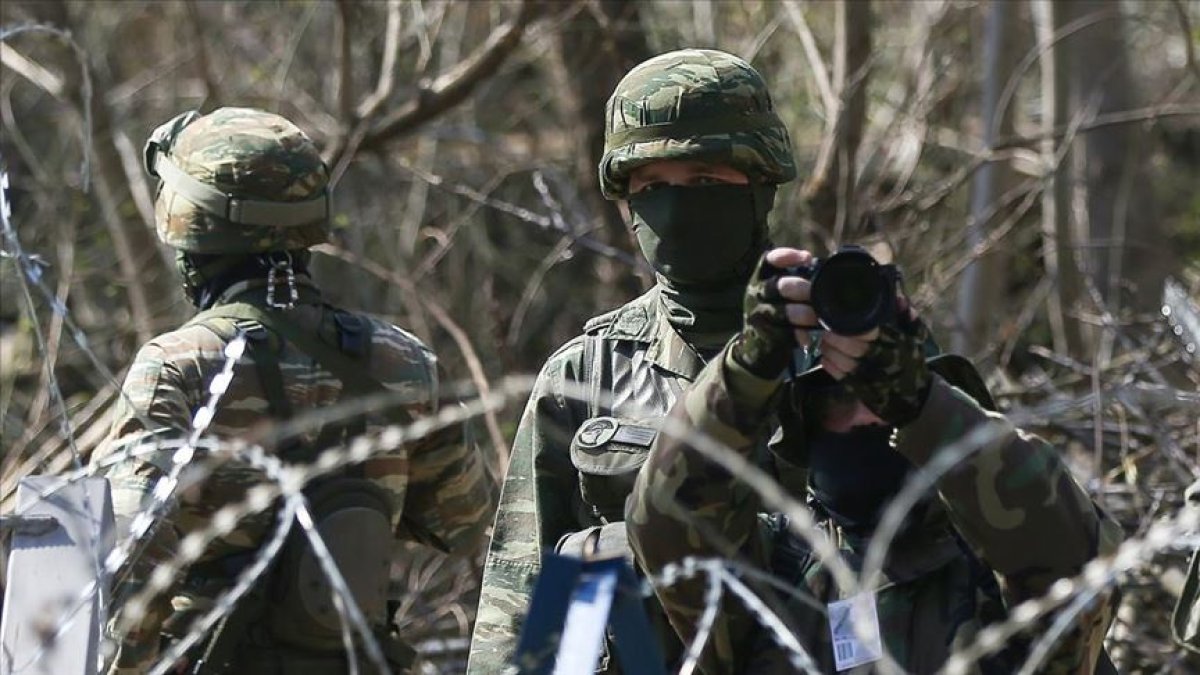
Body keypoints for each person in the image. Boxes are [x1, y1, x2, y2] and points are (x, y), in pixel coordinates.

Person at [92, 107, 497, 674]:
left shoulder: (176, 367)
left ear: (190, 224)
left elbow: (128, 562)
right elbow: (469, 523)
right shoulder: (402, 362)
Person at [626, 246, 1125, 674]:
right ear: (808, 426)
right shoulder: (776, 572)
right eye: (837, 401)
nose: (865, 417)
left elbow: (1071, 559)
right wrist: (743, 374)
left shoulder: (990, 574)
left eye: (881, 399)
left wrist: (922, 405)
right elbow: (665, 523)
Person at [467, 49, 797, 673]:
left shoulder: (850, 353)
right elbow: (518, 604)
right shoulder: (584, 375)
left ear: (761, 184)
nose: (675, 208)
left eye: (704, 181)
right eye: (651, 187)